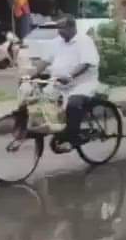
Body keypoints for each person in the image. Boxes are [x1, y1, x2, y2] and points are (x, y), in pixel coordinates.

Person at [42, 16, 101, 153]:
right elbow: (44, 61)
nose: (59, 32)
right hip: (59, 84)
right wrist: (30, 74)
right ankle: (58, 130)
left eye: (62, 28)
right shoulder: (57, 42)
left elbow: (86, 64)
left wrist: (70, 76)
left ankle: (72, 139)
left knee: (73, 104)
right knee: (39, 99)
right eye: (58, 28)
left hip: (82, 84)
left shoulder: (84, 41)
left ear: (71, 27)